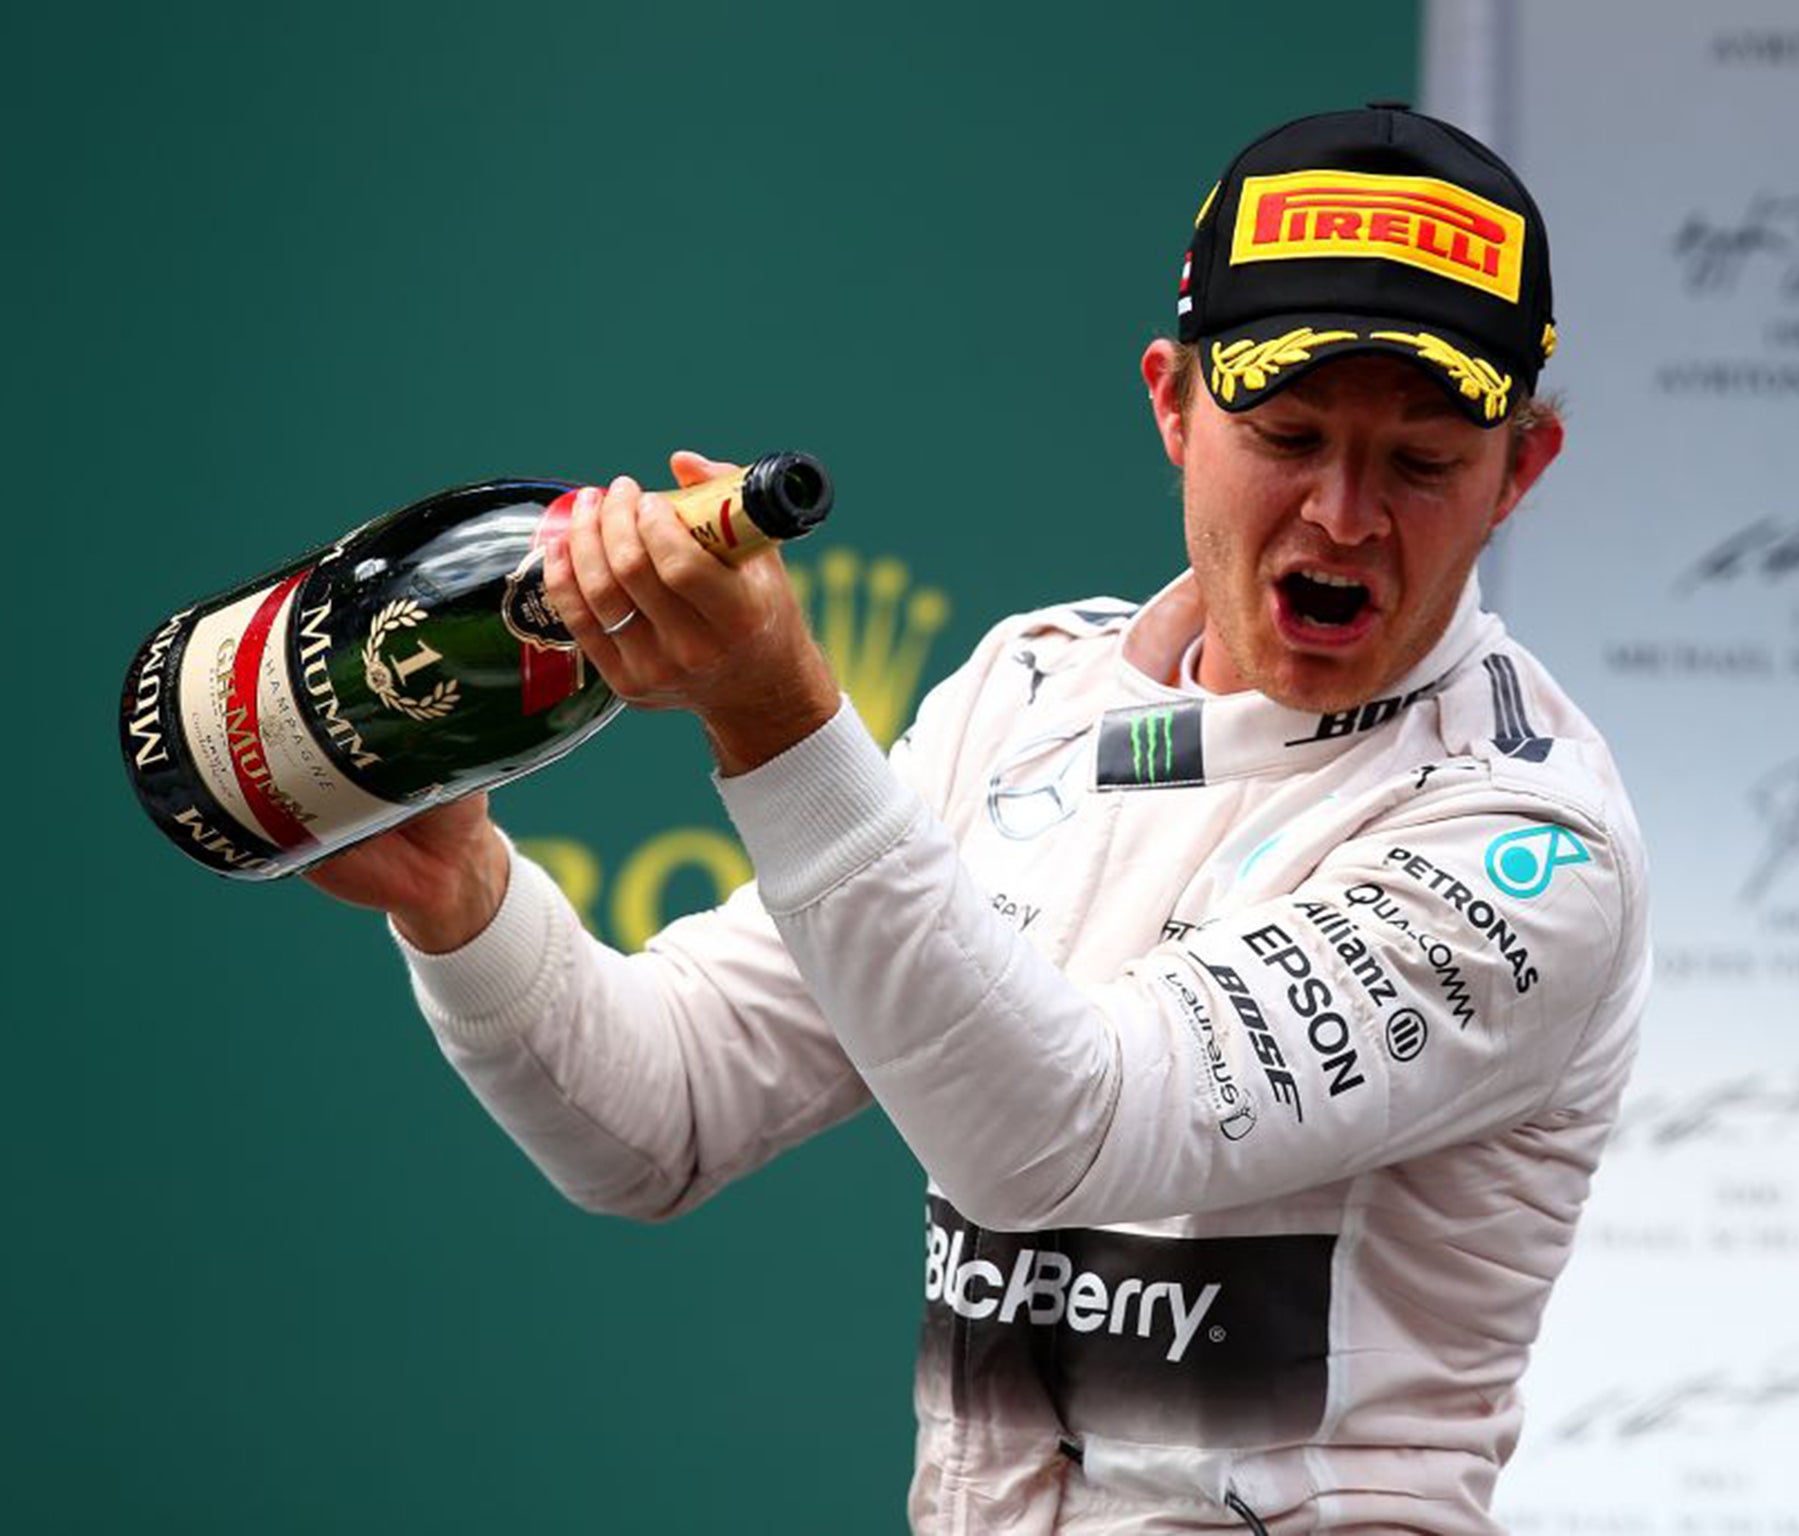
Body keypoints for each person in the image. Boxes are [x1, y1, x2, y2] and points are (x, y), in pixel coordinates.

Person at [309, 105, 1650, 1536]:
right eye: (1290, 433)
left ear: (1522, 472)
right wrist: (459, 896)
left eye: (1425, 463)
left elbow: (1060, 1138)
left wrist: (778, 721)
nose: (1342, 512)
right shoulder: (1029, 691)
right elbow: (660, 1119)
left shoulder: (1525, 841)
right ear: (1171, 406)